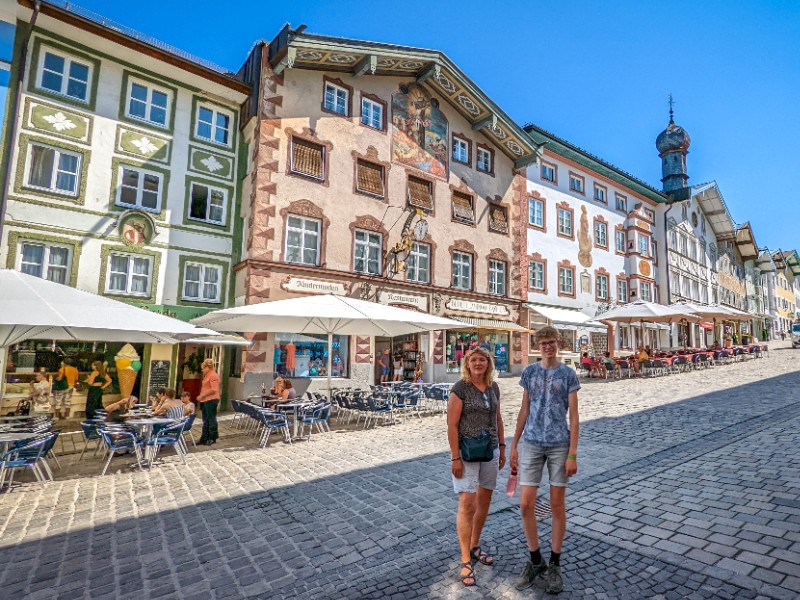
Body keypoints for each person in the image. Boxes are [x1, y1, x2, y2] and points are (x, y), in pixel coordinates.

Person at [511, 326, 580, 594]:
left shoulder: (568, 374)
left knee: (556, 504)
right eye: (543, 343)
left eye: (551, 342)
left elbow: (573, 416)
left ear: (558, 344)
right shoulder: (530, 372)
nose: (548, 347)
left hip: (559, 445)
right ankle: (535, 559)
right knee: (526, 504)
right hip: (531, 443)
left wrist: (573, 453)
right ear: (537, 346)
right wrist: (515, 444)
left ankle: (554, 564)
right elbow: (524, 409)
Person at [447, 347, 505, 587]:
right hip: (467, 451)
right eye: (474, 360)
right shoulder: (460, 388)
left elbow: (498, 418)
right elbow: (451, 424)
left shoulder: (493, 387)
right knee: (467, 503)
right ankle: (464, 559)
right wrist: (455, 458)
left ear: (488, 364)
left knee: (484, 501)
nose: (478, 363)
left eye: (483, 360)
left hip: (490, 449)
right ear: (467, 364)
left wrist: (502, 446)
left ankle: (474, 546)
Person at [197, 358, 221, 445]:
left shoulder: (213, 375)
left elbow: (214, 389)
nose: (202, 370)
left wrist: (202, 395)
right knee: (205, 419)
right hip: (205, 400)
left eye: (203, 368)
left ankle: (212, 437)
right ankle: (204, 437)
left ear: (207, 367)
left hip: (211, 399)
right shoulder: (207, 375)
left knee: (211, 418)